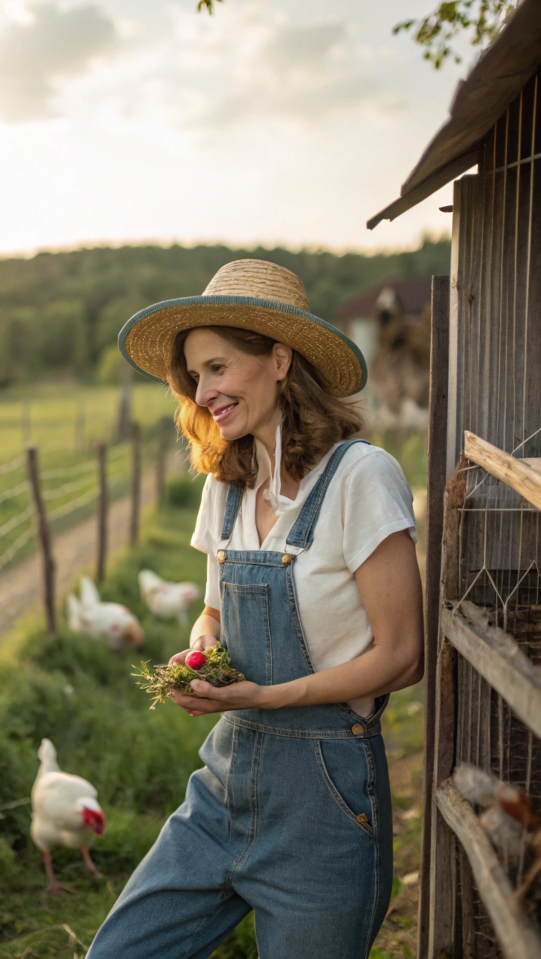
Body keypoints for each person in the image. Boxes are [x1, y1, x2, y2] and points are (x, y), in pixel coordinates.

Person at [86, 259, 424, 959]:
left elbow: (401, 656)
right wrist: (198, 653)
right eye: (194, 377)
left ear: (278, 358)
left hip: (324, 804)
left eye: (216, 367)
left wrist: (270, 694)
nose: (204, 392)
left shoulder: (361, 477)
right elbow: (211, 613)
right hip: (223, 782)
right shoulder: (229, 483)